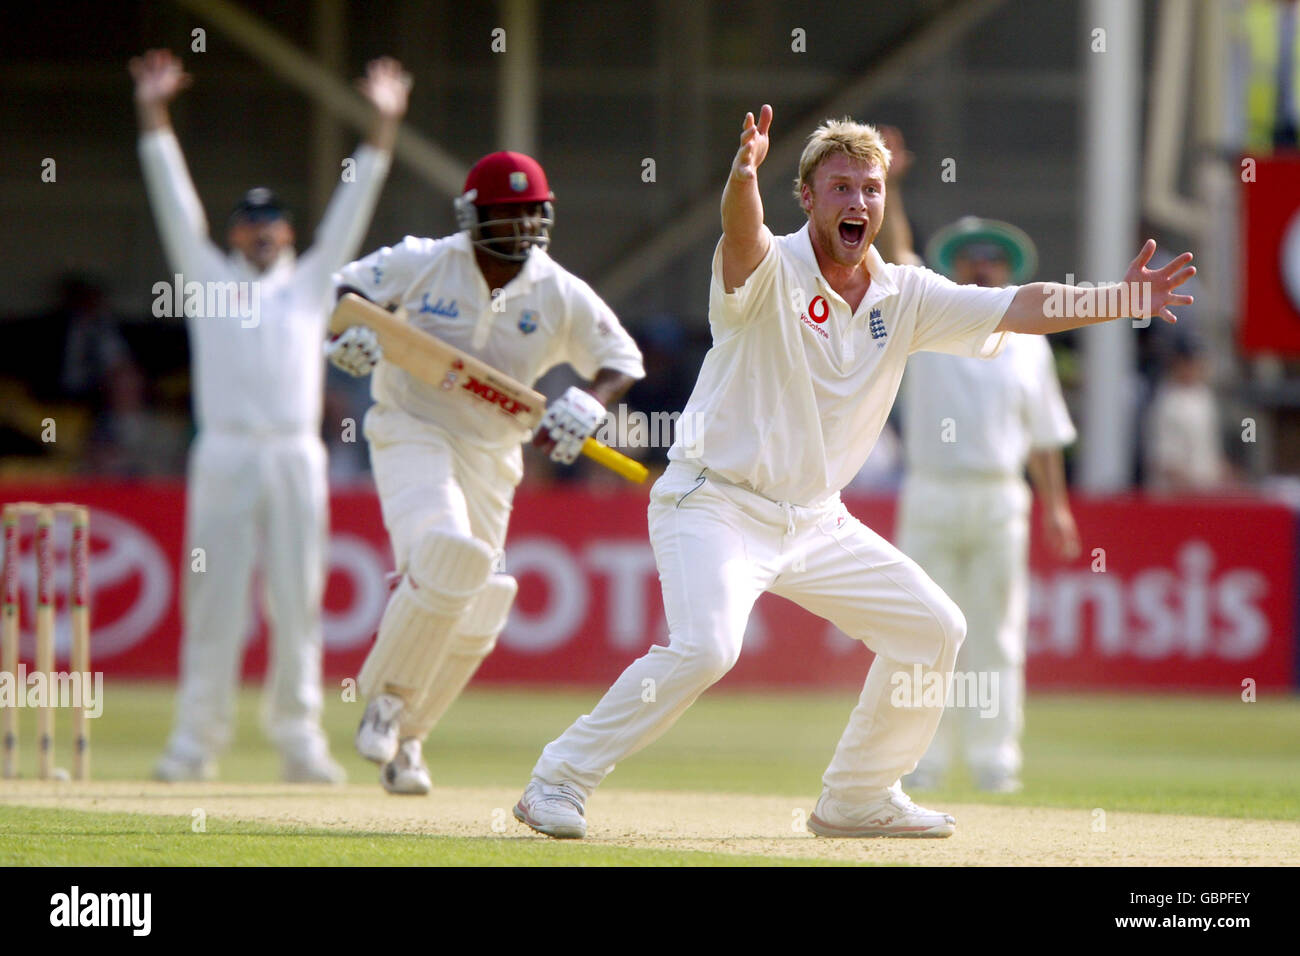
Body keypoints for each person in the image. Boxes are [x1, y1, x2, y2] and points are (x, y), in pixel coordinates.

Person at [512, 105, 1194, 840]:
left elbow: (1018, 307)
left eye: (869, 189)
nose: (858, 202)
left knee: (935, 628)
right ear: (806, 197)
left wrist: (1121, 299)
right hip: (714, 501)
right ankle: (559, 778)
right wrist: (742, 176)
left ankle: (858, 796)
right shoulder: (768, 267)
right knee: (707, 648)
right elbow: (741, 236)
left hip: (815, 517)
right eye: (840, 188)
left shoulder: (906, 294)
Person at [132, 48, 411, 783]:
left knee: (298, 602)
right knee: (214, 599)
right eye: (249, 223)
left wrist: (383, 125)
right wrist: (153, 111)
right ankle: (194, 743)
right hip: (223, 452)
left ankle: (299, 741)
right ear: (233, 235)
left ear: (287, 233)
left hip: (294, 453)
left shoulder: (313, 281)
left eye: (272, 222)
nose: (261, 231)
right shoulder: (207, 280)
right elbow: (172, 198)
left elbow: (354, 207)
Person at [328, 150, 645, 795]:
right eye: (508, 212)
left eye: (532, 212)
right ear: (473, 215)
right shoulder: (425, 260)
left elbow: (622, 358)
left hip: (494, 450)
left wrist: (590, 400)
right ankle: (385, 702)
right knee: (448, 553)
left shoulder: (558, 292)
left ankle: (409, 739)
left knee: (484, 597)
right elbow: (343, 289)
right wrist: (347, 337)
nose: (522, 225)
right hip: (411, 428)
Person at [875, 129, 1081, 793]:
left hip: (1000, 495)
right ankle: (922, 760)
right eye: (972, 261)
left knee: (995, 632)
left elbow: (1045, 435)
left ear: (1007, 271)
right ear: (958, 268)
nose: (983, 269)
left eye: (994, 262)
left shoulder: (1029, 345)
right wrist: (894, 184)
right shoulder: (930, 320)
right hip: (932, 490)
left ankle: (996, 760)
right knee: (921, 629)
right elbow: (896, 253)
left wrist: (1056, 508)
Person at [1144, 334, 1229, 494]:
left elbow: (1209, 450)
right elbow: (1165, 462)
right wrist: (1196, 486)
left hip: (1206, 493)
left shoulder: (1204, 396)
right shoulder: (1166, 402)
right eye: (1190, 363)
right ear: (1178, 364)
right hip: (1175, 497)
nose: (1195, 368)